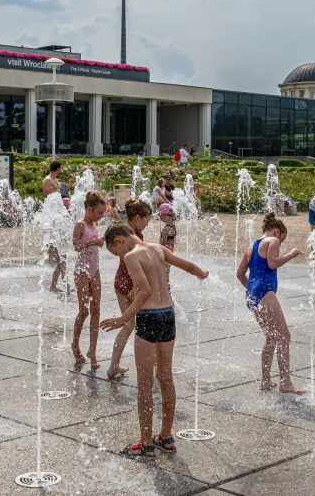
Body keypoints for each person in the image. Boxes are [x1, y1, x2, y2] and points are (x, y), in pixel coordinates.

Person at [99, 223, 209, 460]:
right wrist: (202, 273)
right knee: (166, 377)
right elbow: (187, 265)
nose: (119, 257)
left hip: (148, 318)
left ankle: (147, 443)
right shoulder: (158, 248)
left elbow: (144, 291)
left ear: (118, 241)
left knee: (145, 383)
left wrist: (123, 318)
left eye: (115, 252)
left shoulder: (131, 256)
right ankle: (166, 437)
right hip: (168, 315)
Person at [236, 212, 306, 394]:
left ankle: (266, 381)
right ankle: (286, 382)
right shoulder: (272, 241)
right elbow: (272, 263)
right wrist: (291, 254)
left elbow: (240, 274)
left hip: (253, 295)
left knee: (271, 337)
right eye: (283, 239)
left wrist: (252, 289)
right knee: (284, 336)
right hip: (265, 292)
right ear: (277, 232)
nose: (280, 244)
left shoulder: (251, 246)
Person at [107, 198, 151, 380]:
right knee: (147, 323)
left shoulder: (124, 232)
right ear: (138, 218)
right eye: (147, 221)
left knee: (127, 325)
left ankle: (113, 365)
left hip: (120, 282)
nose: (148, 224)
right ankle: (151, 363)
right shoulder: (136, 237)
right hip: (131, 284)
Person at [71, 191, 107, 369]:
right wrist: (92, 243)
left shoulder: (93, 225)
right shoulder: (81, 224)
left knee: (96, 311)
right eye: (99, 213)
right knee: (84, 311)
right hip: (82, 271)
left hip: (95, 270)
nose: (102, 216)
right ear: (90, 209)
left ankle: (92, 351)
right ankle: (75, 345)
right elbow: (76, 247)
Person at [43, 161, 69, 293]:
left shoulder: (55, 179)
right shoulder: (47, 180)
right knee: (60, 259)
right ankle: (57, 285)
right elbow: (49, 197)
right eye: (60, 168)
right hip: (52, 225)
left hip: (59, 223)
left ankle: (62, 284)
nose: (61, 170)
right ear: (57, 168)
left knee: (63, 258)